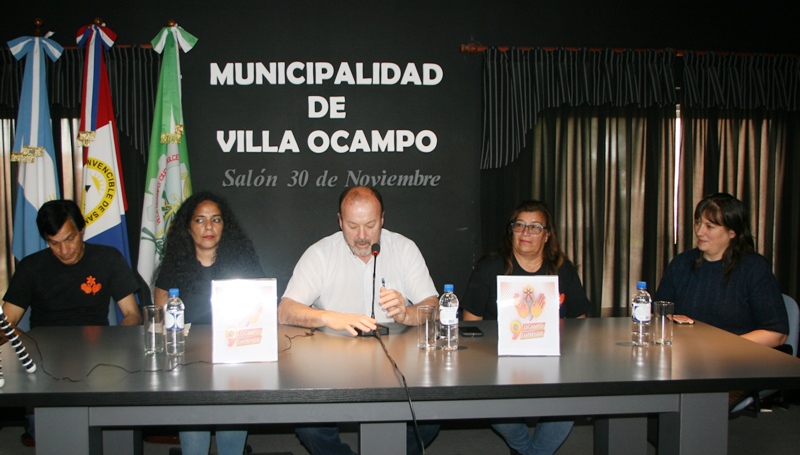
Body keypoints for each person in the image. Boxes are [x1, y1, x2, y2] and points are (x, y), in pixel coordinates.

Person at [278, 186, 439, 455]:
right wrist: (329, 317)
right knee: (309, 425)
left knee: (432, 414)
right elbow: (284, 310)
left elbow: (433, 305)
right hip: (332, 364)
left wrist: (408, 314)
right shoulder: (321, 253)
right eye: (352, 226)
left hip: (397, 363)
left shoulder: (404, 249)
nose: (362, 236)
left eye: (370, 225)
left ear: (382, 219)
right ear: (340, 221)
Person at [1, 199, 143, 447]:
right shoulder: (31, 267)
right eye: (54, 243)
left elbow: (132, 314)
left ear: (82, 230)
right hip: (46, 363)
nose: (64, 250)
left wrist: (114, 345)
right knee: (59, 436)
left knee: (115, 430)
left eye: (70, 239)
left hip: (98, 357)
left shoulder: (107, 258)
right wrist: (30, 347)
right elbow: (6, 324)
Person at [461, 200, 589, 455]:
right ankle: (525, 447)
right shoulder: (490, 267)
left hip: (552, 359)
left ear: (547, 235)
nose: (525, 232)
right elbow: (470, 324)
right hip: (497, 359)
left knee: (572, 399)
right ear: (511, 231)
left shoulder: (563, 269)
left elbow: (580, 322)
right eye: (519, 225)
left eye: (534, 227)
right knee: (489, 401)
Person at [155, 191, 265, 455]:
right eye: (200, 220)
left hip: (233, 357)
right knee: (194, 438)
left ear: (224, 226)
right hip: (188, 360)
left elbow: (262, 307)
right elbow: (161, 318)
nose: (208, 227)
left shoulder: (243, 261)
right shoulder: (174, 265)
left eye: (216, 220)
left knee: (232, 420)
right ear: (188, 227)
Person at [655, 193, 788, 347]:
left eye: (710, 226)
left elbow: (777, 333)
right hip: (686, 352)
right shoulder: (682, 263)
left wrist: (723, 347)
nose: (699, 231)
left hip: (735, 354)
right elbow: (659, 313)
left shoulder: (754, 268)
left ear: (732, 232)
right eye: (698, 223)